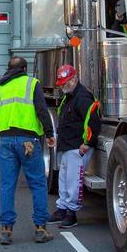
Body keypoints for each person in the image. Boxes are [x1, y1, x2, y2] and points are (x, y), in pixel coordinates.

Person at [0, 56, 55, 245]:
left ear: (8, 69)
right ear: (24, 69)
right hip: (28, 141)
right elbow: (41, 110)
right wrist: (50, 132)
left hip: (5, 141)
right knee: (37, 183)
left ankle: (6, 230)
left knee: (7, 185)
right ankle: (40, 228)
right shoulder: (31, 83)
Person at [48, 65, 101, 230]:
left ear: (73, 80)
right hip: (70, 145)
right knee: (64, 178)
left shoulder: (82, 97)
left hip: (77, 146)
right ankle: (63, 209)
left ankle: (71, 212)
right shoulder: (72, 96)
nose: (62, 86)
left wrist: (87, 143)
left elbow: (92, 121)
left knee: (72, 180)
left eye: (65, 82)